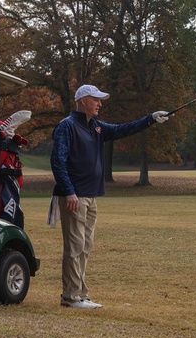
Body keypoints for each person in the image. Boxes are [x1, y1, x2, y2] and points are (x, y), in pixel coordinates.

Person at [49, 84, 169, 309]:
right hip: (74, 196)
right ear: (83, 100)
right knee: (74, 247)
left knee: (85, 246)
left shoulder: (96, 127)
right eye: (96, 100)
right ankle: (70, 297)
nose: (99, 104)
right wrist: (69, 191)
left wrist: (150, 119)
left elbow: (124, 129)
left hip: (91, 195)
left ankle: (81, 295)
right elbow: (58, 161)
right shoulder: (67, 126)